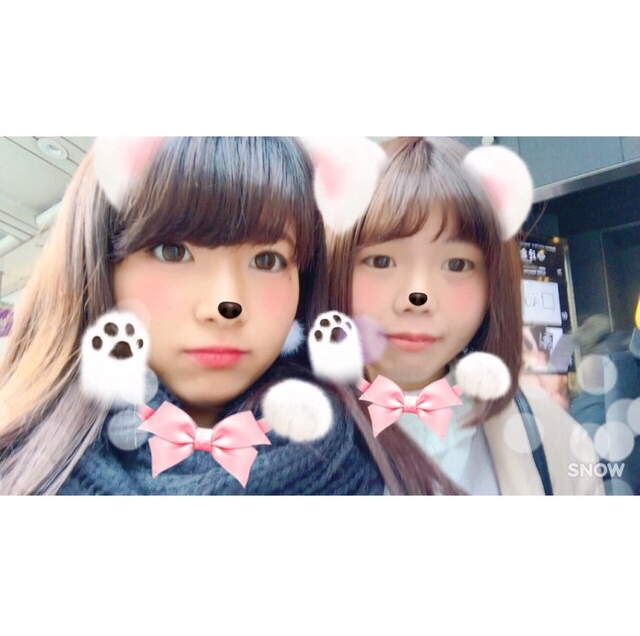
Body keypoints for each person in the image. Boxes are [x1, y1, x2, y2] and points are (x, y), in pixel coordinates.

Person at [0, 136, 457, 495]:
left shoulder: (370, 462)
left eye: (267, 260)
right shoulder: (22, 462)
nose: (226, 305)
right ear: (100, 263)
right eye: (173, 251)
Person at [325, 136, 603, 495]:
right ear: (337, 269)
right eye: (381, 261)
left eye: (456, 264)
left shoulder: (558, 441)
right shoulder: (279, 432)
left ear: (492, 285)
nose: (418, 298)